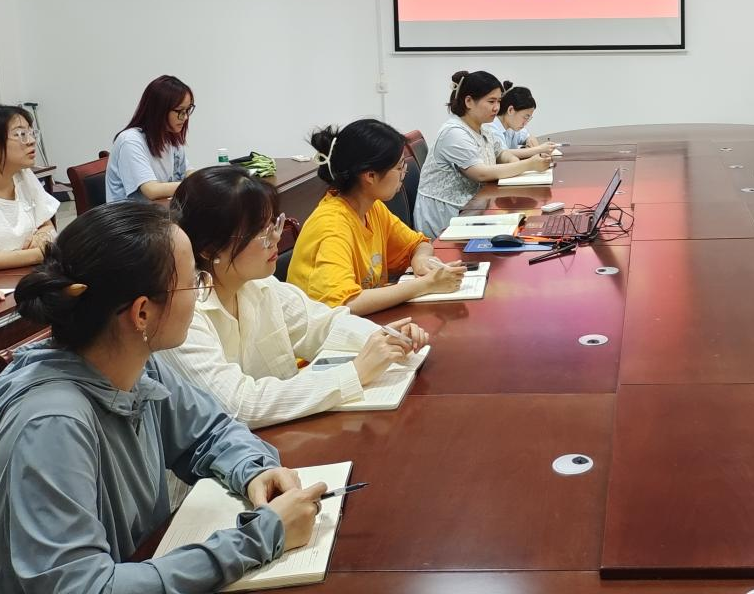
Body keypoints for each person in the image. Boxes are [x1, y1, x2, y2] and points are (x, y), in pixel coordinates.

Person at [0, 202, 326, 593]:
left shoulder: (137, 365)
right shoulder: (51, 425)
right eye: (193, 281)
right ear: (142, 314)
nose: (201, 292)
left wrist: (253, 471)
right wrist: (259, 538)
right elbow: (83, 587)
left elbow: (210, 432)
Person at [163, 166, 429, 429]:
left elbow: (323, 325)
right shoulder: (184, 314)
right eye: (260, 233)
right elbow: (239, 405)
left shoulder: (259, 284)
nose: (276, 238)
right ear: (210, 248)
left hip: (279, 435)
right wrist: (355, 373)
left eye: (274, 224)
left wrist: (384, 338)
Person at [288, 118, 465, 315]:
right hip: (327, 329)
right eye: (399, 167)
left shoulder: (372, 208)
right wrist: (426, 284)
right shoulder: (331, 226)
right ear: (370, 176)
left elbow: (418, 244)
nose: (404, 173)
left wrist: (421, 259)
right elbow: (345, 304)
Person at [414, 71, 554, 239]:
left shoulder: (484, 127)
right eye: (491, 101)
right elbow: (480, 174)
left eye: (499, 101)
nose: (497, 107)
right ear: (469, 101)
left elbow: (501, 153)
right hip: (447, 215)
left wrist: (513, 161)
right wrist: (528, 164)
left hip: (475, 206)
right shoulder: (454, 133)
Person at [0, 105, 59, 298]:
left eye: (31, 133)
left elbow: (47, 226)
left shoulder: (23, 175)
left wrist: (43, 238)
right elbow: (44, 250)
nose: (31, 141)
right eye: (20, 134)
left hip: (30, 280)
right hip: (0, 290)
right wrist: (36, 254)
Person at [106, 75, 193, 202]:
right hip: (131, 214)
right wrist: (195, 185)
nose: (185, 117)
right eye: (180, 111)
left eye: (187, 110)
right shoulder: (130, 141)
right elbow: (152, 190)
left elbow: (187, 172)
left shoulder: (170, 137)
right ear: (159, 110)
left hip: (159, 210)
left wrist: (206, 180)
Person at [490, 82, 560, 158]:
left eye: (529, 119)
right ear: (510, 110)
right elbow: (502, 153)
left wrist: (531, 142)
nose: (525, 123)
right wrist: (539, 149)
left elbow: (529, 137)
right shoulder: (492, 127)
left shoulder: (512, 126)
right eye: (525, 117)